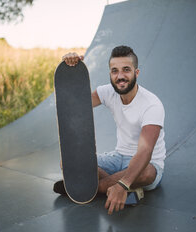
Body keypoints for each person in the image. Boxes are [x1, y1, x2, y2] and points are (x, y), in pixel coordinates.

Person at [54, 45, 166, 215]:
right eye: (115, 71)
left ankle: (97, 188)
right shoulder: (108, 92)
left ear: (136, 73)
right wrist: (73, 70)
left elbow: (145, 151)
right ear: (110, 74)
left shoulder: (151, 104)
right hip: (117, 157)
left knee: (147, 172)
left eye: (126, 70)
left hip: (146, 164)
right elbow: (76, 107)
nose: (120, 76)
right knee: (68, 163)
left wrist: (122, 184)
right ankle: (117, 189)